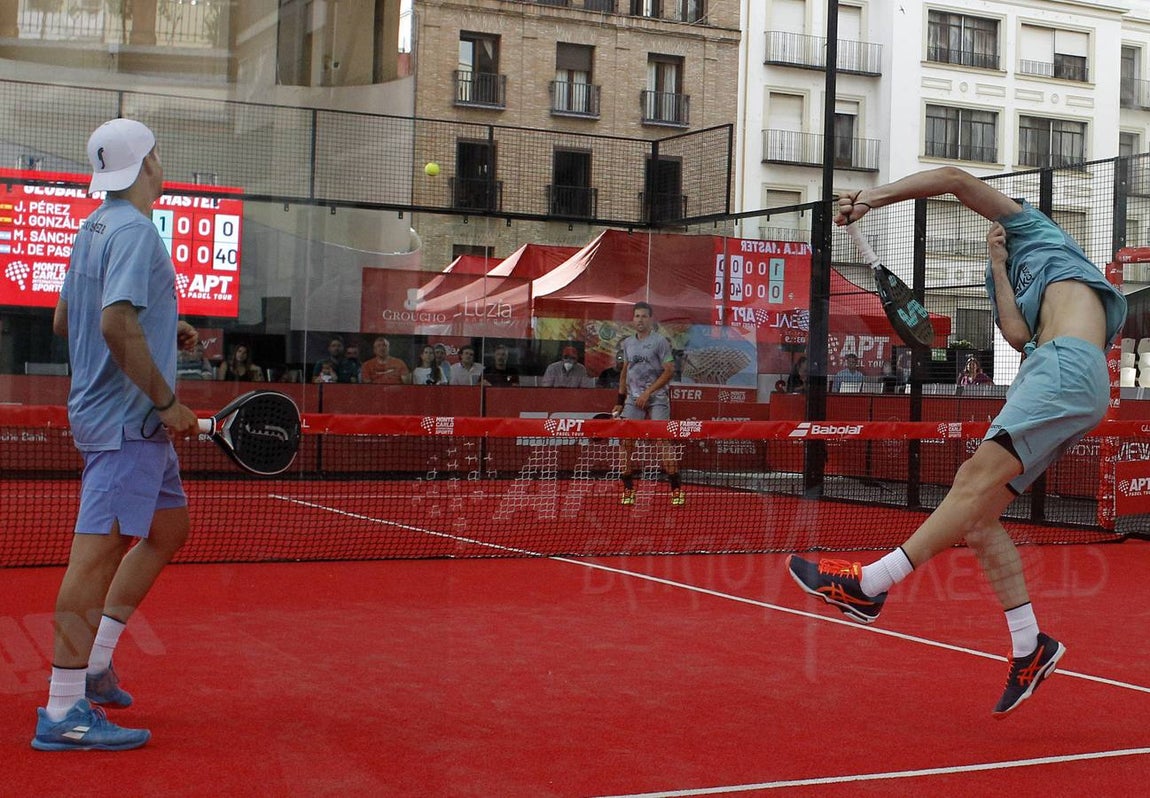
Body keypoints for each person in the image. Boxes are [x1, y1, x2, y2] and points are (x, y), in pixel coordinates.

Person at [787, 166, 1127, 717]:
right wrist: (996, 266)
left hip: (1063, 369)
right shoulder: (1023, 276)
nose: (997, 223)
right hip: (1059, 371)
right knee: (977, 518)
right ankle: (1030, 645)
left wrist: (871, 198)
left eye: (1000, 218)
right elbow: (1018, 337)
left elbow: (952, 178)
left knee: (969, 481)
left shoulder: (1039, 230)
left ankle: (870, 585)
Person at [34, 118, 200, 752]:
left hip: (119, 418)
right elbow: (110, 324)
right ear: (150, 163)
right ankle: (62, 709)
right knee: (96, 557)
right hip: (129, 419)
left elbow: (62, 319)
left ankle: (95, 664)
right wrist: (167, 398)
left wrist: (164, 324)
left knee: (167, 530)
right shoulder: (135, 232)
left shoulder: (93, 226)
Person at [612, 302, 683, 506]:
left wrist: (648, 392)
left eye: (644, 316)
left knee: (662, 441)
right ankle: (628, 490)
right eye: (637, 316)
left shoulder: (660, 342)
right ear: (633, 319)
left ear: (650, 319)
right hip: (633, 400)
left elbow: (669, 370)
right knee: (626, 443)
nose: (640, 320)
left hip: (657, 398)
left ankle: (676, 490)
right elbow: (625, 371)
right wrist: (620, 401)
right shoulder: (627, 343)